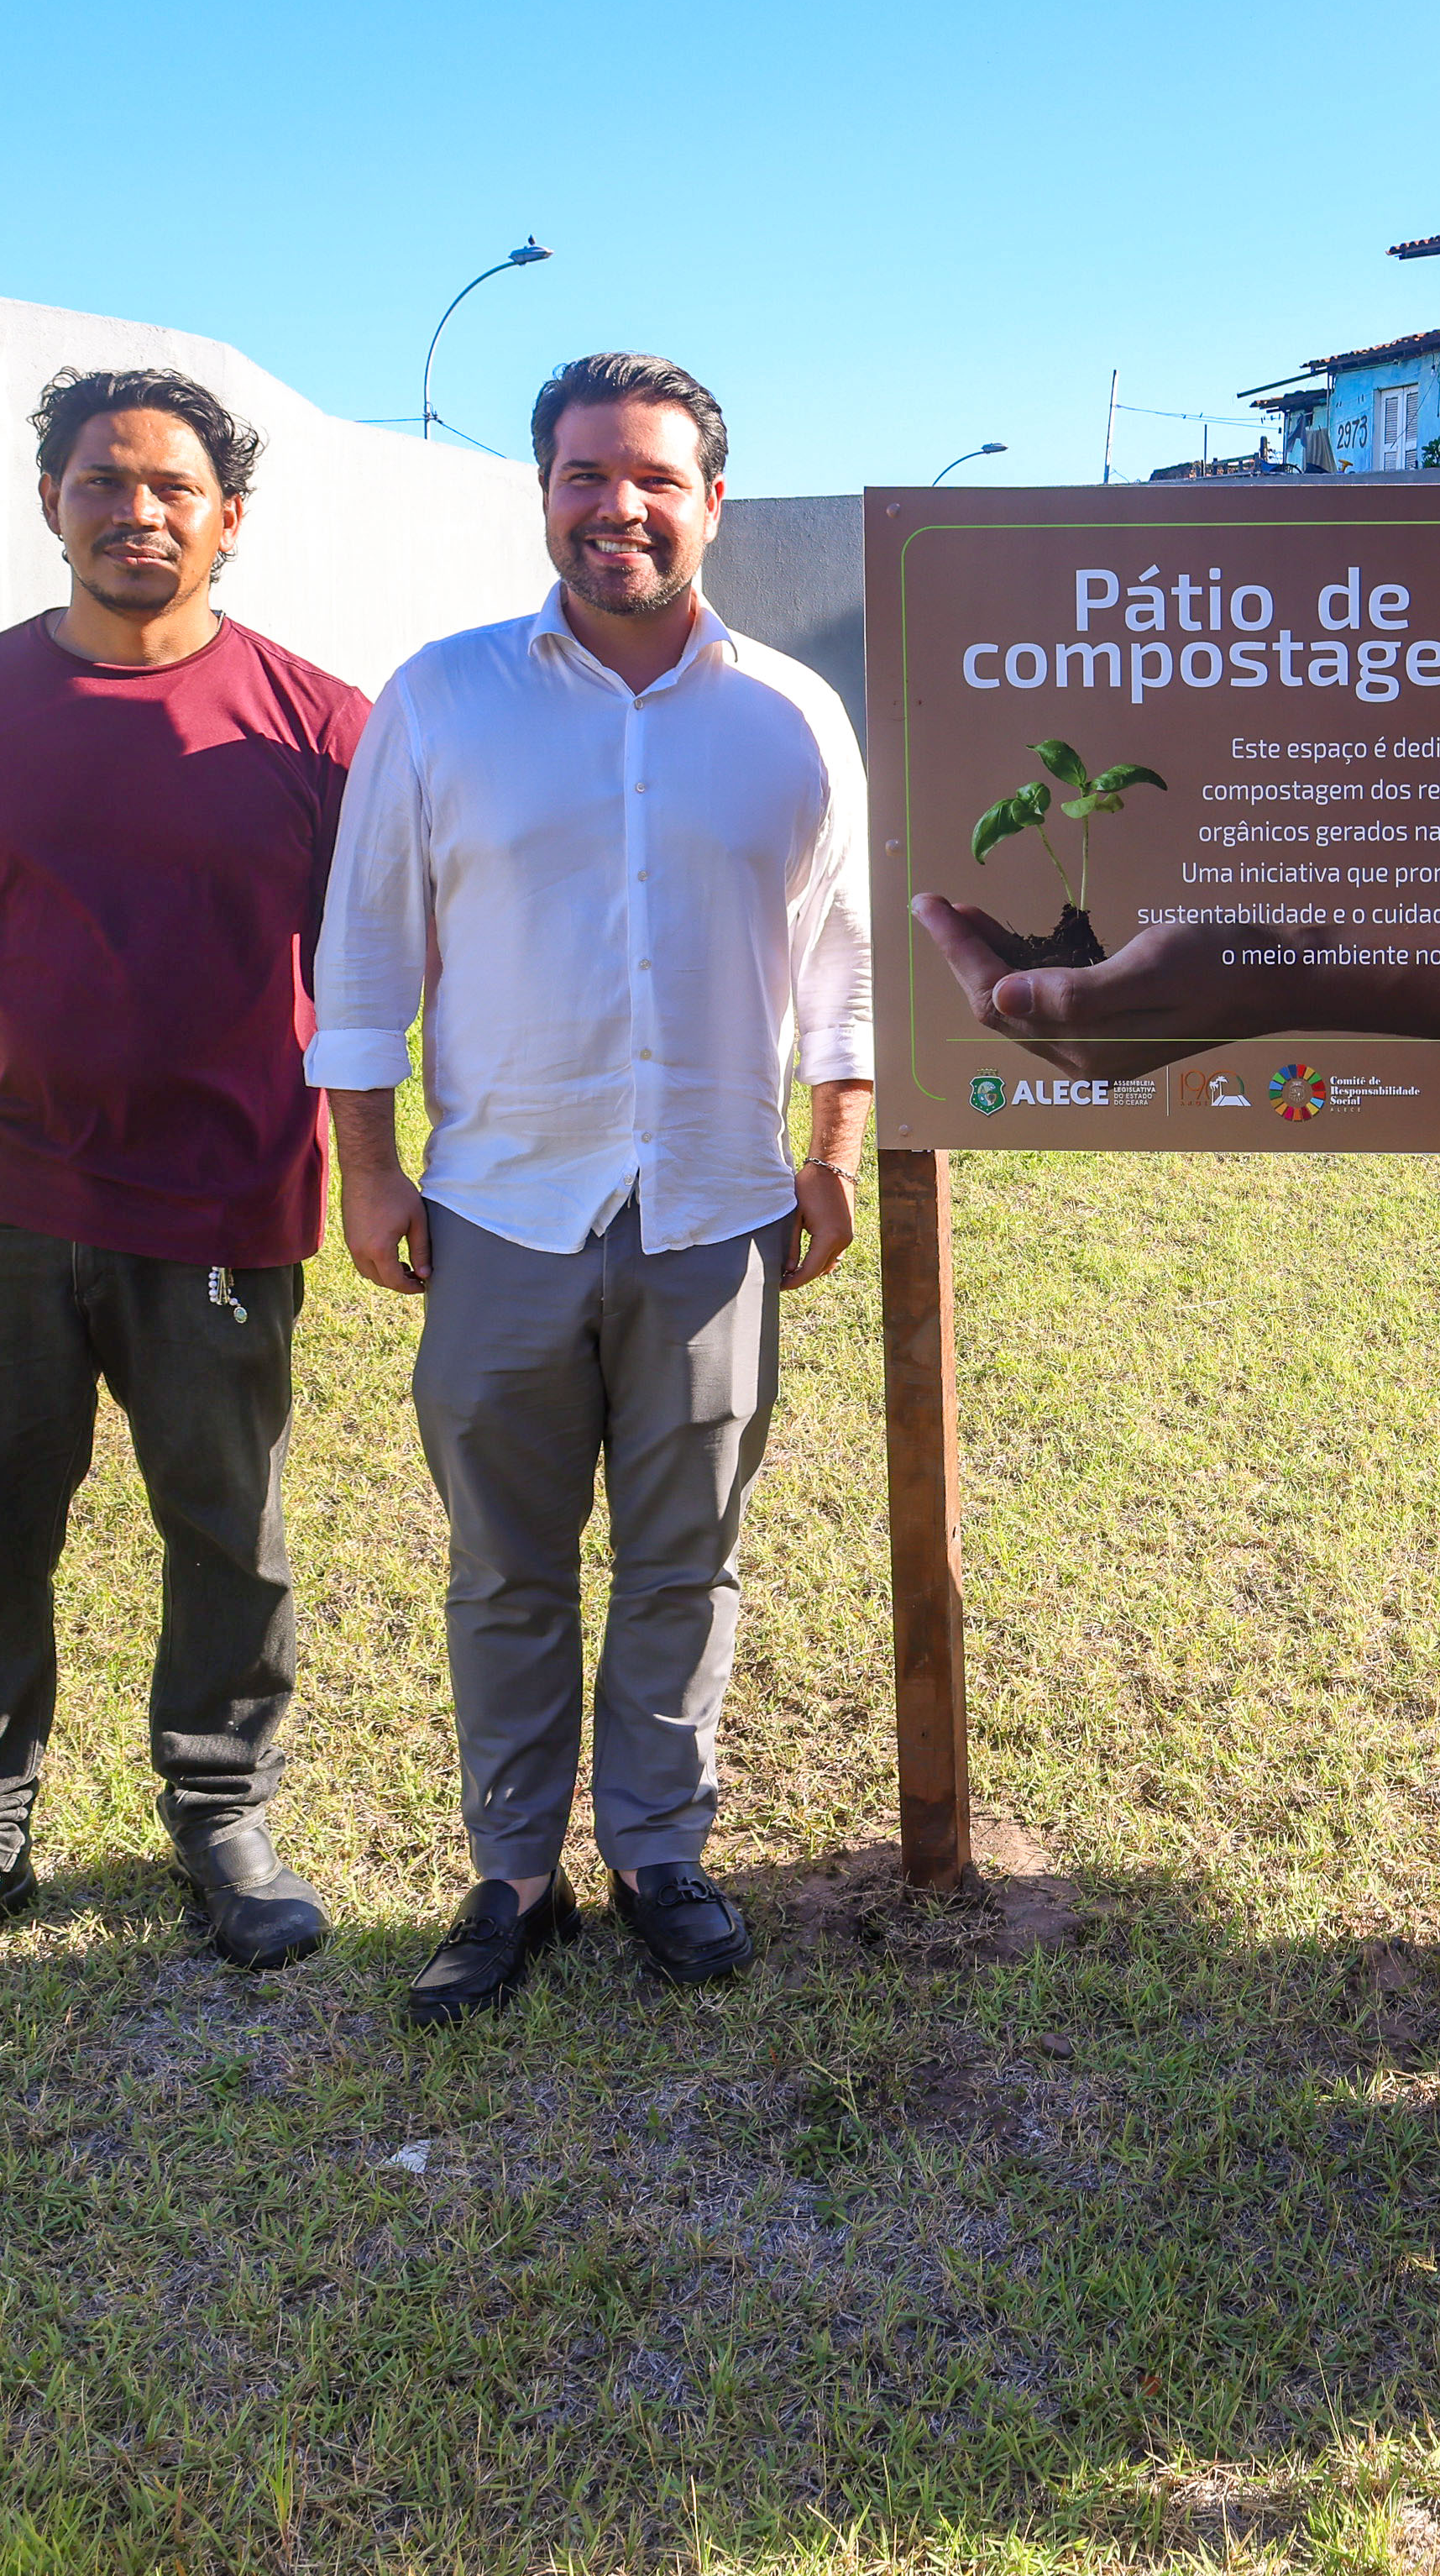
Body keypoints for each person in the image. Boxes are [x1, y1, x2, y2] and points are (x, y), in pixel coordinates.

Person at [310, 353, 872, 2029]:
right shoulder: (443, 699)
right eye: (581, 474)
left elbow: (842, 960)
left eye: (652, 478)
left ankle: (660, 1853)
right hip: (503, 1209)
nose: (614, 506)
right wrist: (365, 1170)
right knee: (505, 1568)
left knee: (686, 1561)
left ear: (713, 501)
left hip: (715, 1210)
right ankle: (508, 1875)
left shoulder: (792, 715)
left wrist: (833, 1150)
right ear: (543, 492)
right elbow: (364, 948)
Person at [0, 369, 369, 2017]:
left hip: (223, 1197)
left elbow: (368, 960)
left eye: (173, 487)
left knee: (229, 1529)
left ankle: (222, 1812)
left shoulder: (322, 724)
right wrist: (23, 1049)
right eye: (103, 481)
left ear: (229, 518)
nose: (138, 510)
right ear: (51, 501)